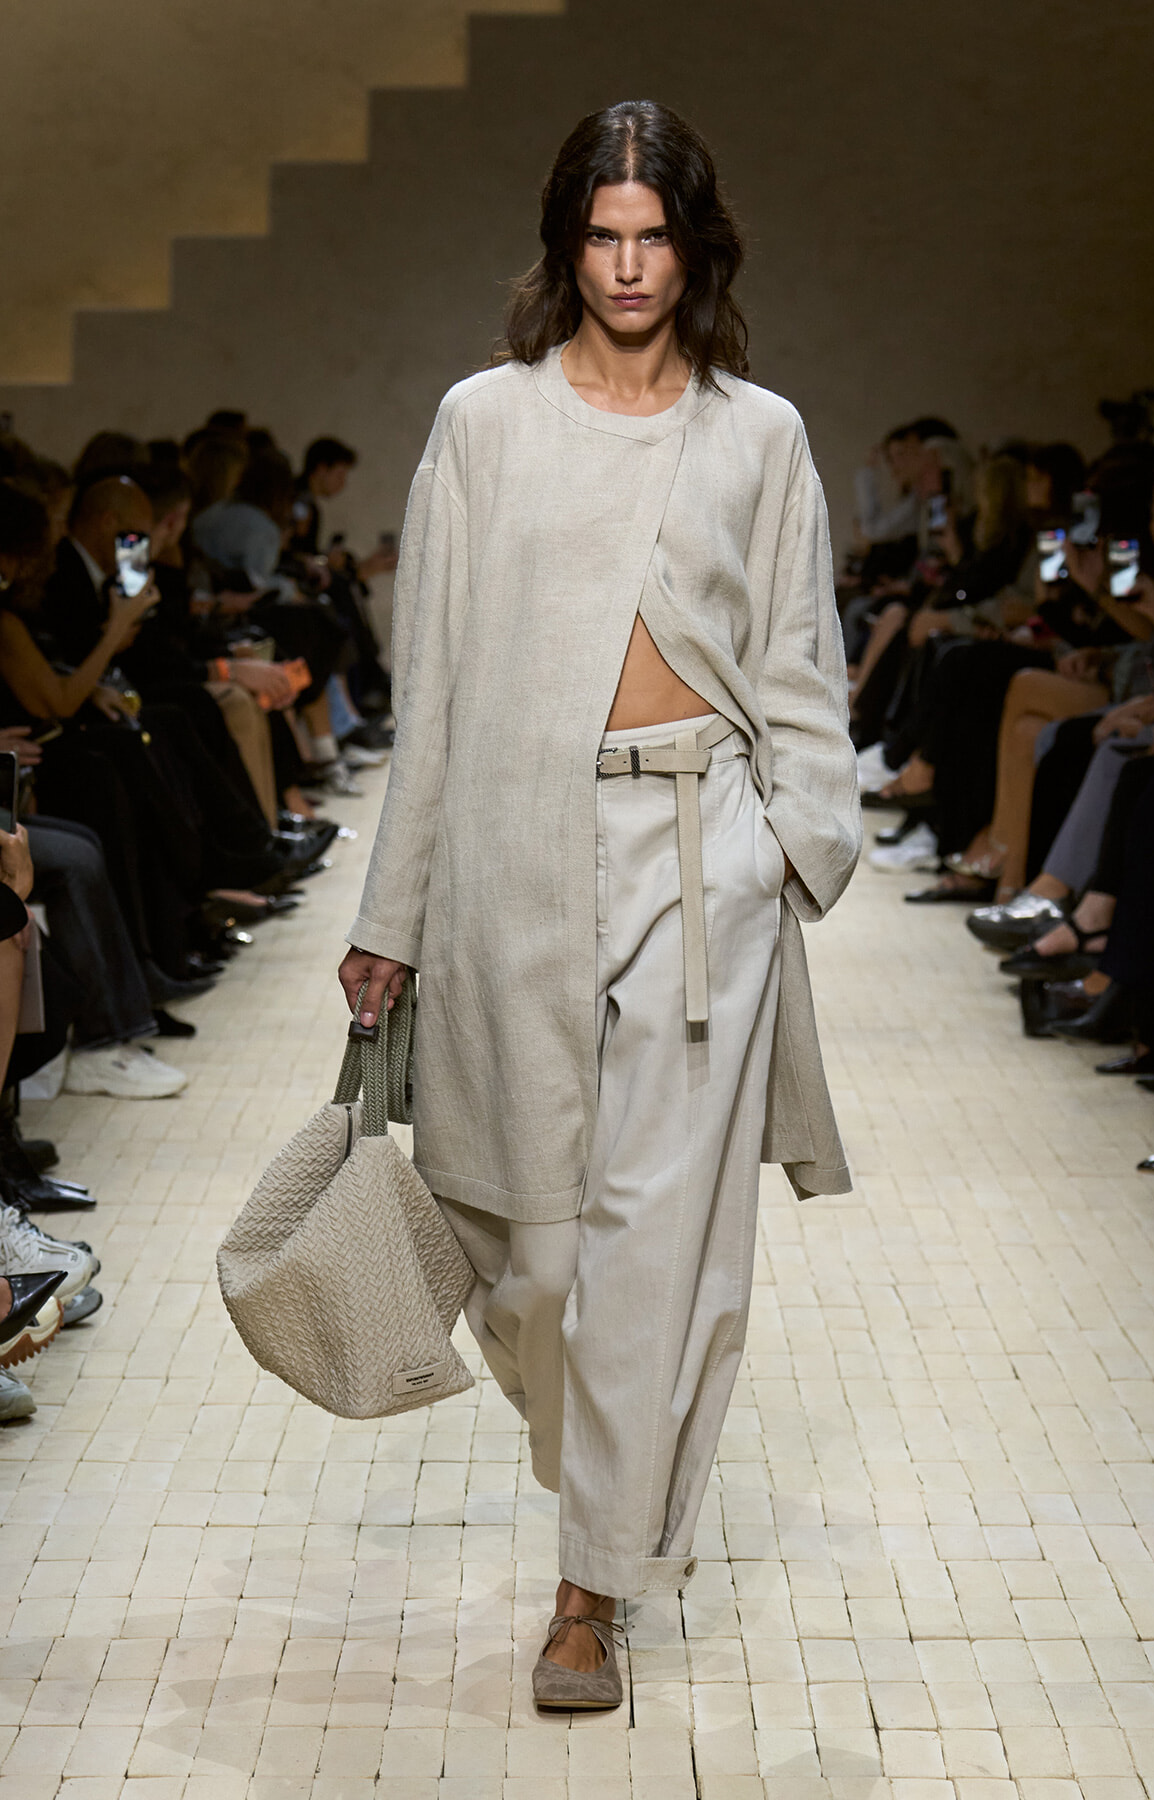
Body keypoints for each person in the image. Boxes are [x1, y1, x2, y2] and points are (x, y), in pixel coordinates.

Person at [340, 100, 859, 1711]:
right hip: (513, 854)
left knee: (655, 1252)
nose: (630, 268)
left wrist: (787, 852)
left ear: (696, 249)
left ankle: (591, 1590)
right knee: (536, 1261)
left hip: (705, 864)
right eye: (603, 236)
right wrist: (393, 911)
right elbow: (430, 688)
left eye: (657, 238)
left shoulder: (754, 434)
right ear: (567, 243)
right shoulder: (484, 422)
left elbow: (800, 660)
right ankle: (619, 1501)